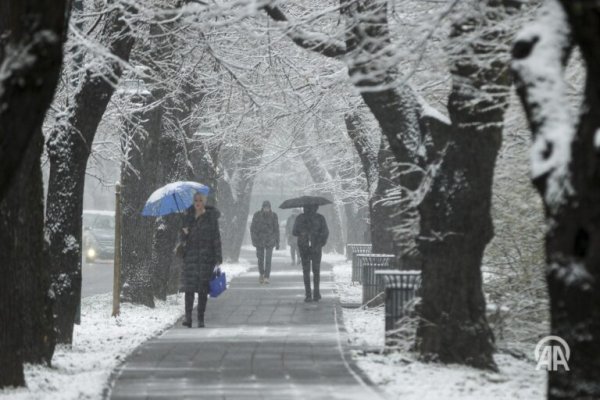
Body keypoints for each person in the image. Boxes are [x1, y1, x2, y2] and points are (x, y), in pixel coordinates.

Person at [180, 192, 222, 328]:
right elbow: (182, 240)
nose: (198, 203)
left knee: (203, 290)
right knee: (189, 289)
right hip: (191, 257)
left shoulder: (210, 218)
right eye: (195, 200)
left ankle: (200, 318)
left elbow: (216, 238)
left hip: (206, 258)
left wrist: (217, 256)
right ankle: (188, 317)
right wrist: (184, 233)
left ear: (204, 202)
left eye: (200, 200)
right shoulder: (188, 217)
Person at [293, 204, 329, 302]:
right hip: (316, 247)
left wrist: (302, 233)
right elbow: (325, 232)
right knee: (316, 271)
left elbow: (294, 232)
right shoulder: (320, 218)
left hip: (304, 247)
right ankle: (316, 293)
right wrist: (320, 242)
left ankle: (308, 294)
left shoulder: (300, 218)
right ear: (316, 207)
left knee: (306, 271)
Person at [250, 200, 280, 284]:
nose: (266, 209)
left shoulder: (274, 216)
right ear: (262, 208)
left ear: (270, 208)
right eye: (265, 207)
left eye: (268, 208)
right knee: (260, 259)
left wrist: (277, 242)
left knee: (268, 259)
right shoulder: (257, 215)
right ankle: (261, 274)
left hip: (270, 240)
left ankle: (267, 277)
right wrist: (254, 239)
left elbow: (276, 229)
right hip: (259, 240)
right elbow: (253, 228)